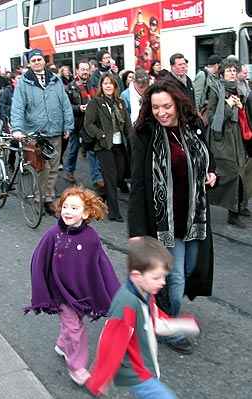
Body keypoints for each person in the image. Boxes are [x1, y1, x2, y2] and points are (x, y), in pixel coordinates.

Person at [128, 79, 216, 355]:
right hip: (163, 222)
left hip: (195, 217)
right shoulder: (144, 134)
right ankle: (166, 327)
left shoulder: (194, 126)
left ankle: (155, 312)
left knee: (190, 269)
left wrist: (211, 171)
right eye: (155, 107)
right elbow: (139, 183)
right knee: (174, 278)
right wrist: (137, 230)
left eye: (166, 106)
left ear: (178, 104)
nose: (161, 112)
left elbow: (206, 156)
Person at [25, 186, 120, 386]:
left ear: (86, 213)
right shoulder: (53, 235)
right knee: (75, 328)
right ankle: (76, 367)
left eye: (74, 208)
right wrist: (41, 291)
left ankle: (62, 344)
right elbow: (38, 262)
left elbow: (101, 264)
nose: (67, 211)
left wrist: (113, 291)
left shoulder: (91, 238)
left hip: (81, 293)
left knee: (75, 322)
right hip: (60, 294)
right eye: (65, 206)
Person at [85, 236, 200, 398]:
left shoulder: (145, 293)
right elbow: (111, 342)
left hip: (145, 367)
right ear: (137, 276)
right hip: (136, 372)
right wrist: (100, 379)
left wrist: (183, 325)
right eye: (157, 277)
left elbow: (156, 323)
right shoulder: (127, 303)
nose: (163, 283)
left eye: (164, 277)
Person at [11, 48, 74, 216]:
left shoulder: (55, 80)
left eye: (39, 59)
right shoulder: (24, 83)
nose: (37, 62)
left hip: (55, 129)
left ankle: (49, 197)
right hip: (36, 132)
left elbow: (65, 104)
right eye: (34, 60)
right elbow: (17, 107)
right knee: (42, 168)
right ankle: (39, 198)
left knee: (53, 167)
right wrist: (17, 128)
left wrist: (68, 125)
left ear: (44, 61)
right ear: (30, 64)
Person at [84, 73, 132, 222]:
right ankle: (114, 213)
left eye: (111, 83)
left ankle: (102, 196)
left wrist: (133, 138)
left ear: (116, 86)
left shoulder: (120, 102)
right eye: (105, 83)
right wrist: (101, 135)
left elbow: (127, 125)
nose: (108, 86)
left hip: (119, 145)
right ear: (101, 86)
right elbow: (88, 124)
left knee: (120, 176)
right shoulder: (95, 102)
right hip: (104, 146)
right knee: (111, 178)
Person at [207, 59, 250, 227]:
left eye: (234, 70)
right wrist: (227, 106)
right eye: (229, 70)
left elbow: (243, 115)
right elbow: (211, 118)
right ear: (222, 73)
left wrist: (241, 107)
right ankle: (232, 213)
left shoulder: (240, 89)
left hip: (237, 136)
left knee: (241, 171)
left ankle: (239, 206)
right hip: (222, 138)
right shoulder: (215, 90)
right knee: (230, 174)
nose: (232, 73)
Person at [63, 60, 104, 190]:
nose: (85, 72)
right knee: (74, 148)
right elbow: (66, 107)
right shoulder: (70, 87)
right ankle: (69, 170)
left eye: (87, 69)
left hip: (90, 124)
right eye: (82, 69)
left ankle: (97, 178)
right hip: (76, 123)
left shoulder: (94, 85)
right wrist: (79, 108)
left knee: (92, 150)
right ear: (77, 71)